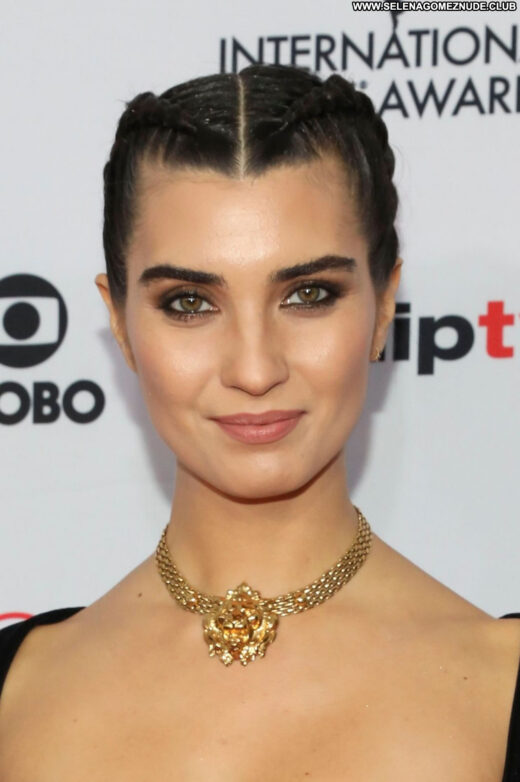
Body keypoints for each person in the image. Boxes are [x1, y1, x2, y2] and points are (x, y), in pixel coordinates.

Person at [0, 63, 518, 780]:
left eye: (309, 294)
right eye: (189, 302)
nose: (253, 368)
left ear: (384, 306)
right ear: (118, 322)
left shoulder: (498, 688)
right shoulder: (18, 690)